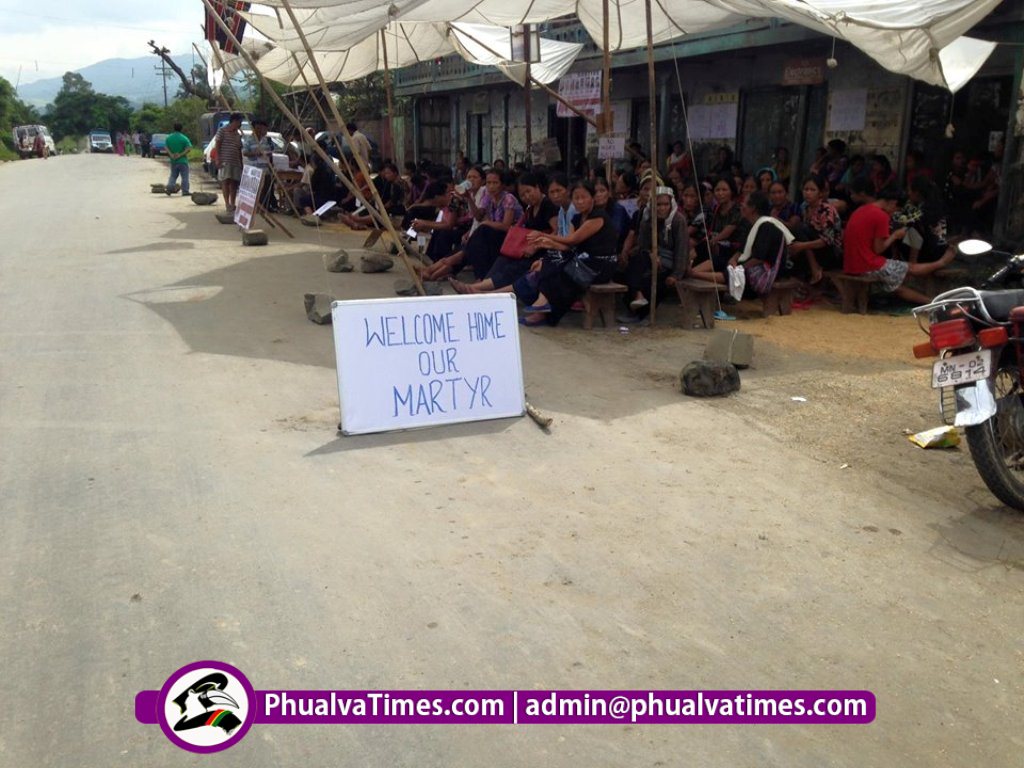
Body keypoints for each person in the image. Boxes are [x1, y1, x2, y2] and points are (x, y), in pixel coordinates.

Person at [518, 180, 619, 327]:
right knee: (552, 258)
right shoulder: (576, 219)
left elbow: (572, 240)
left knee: (564, 272)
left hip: (600, 265)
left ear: (592, 198)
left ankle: (542, 310)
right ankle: (542, 308)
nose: (580, 201)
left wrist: (544, 235)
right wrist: (550, 244)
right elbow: (568, 246)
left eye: (583, 197)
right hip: (583, 260)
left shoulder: (598, 217)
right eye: (576, 198)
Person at [843, 186, 955, 305]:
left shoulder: (861, 210)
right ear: (893, 203)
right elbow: (878, 249)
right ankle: (941, 263)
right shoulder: (881, 216)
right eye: (896, 209)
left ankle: (932, 302)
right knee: (910, 268)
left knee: (898, 285)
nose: (893, 213)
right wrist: (895, 236)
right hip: (866, 264)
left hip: (851, 263)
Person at [451, 172, 558, 294]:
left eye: (529, 191)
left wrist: (536, 245)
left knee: (515, 266)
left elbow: (556, 231)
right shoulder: (530, 207)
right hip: (525, 247)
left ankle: (478, 288)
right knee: (503, 259)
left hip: (541, 250)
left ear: (537, 187)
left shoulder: (547, 205)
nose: (527, 196)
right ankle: (480, 286)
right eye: (523, 195)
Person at [620, 186, 689, 321]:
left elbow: (682, 249)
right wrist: (651, 254)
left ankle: (640, 309)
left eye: (665, 204)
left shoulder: (678, 220)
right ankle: (638, 296)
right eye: (658, 205)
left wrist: (676, 274)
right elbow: (642, 245)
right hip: (649, 259)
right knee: (633, 264)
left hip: (669, 263)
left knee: (654, 283)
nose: (662, 208)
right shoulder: (647, 218)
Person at [787, 174, 842, 284]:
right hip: (813, 249)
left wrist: (802, 246)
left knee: (799, 228)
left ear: (820, 193)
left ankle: (814, 267)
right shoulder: (805, 208)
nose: (808, 193)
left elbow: (827, 240)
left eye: (812, 190)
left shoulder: (826, 210)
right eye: (806, 189)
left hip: (830, 252)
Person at [242, 117, 276, 211]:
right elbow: (245, 152)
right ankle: (255, 206)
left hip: (265, 168)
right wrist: (255, 153)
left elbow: (272, 151)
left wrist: (268, 155)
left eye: (260, 128)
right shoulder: (249, 140)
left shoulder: (266, 140)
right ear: (253, 128)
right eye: (257, 128)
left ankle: (264, 206)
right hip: (254, 168)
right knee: (255, 189)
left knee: (266, 188)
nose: (259, 130)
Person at [216, 113, 245, 213]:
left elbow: (239, 150)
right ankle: (227, 204)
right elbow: (218, 145)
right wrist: (218, 159)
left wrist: (241, 164)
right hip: (225, 160)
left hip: (235, 162)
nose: (240, 124)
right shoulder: (222, 130)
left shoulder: (238, 134)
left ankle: (233, 203)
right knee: (226, 181)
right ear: (234, 121)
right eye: (239, 122)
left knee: (234, 183)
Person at [164, 123, 193, 196]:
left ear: (174, 128)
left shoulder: (169, 138)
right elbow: (189, 148)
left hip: (173, 161)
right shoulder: (184, 138)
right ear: (181, 129)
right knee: (185, 176)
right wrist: (180, 154)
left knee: (173, 175)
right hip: (183, 161)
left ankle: (169, 188)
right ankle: (185, 191)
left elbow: (166, 147)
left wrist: (171, 154)